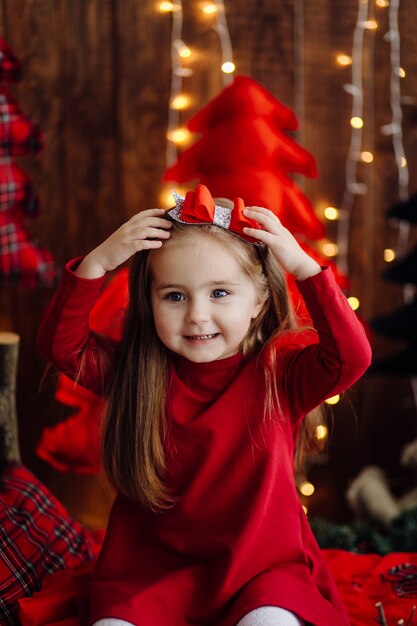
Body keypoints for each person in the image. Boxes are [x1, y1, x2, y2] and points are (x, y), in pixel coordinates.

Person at [37, 183, 371, 626]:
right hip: (151, 572)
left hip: (261, 569)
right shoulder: (137, 371)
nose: (196, 315)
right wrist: (98, 263)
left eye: (219, 293)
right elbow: (61, 345)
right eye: (174, 296)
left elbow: (352, 357)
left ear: (260, 300)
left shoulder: (280, 373)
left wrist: (305, 269)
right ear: (149, 303)